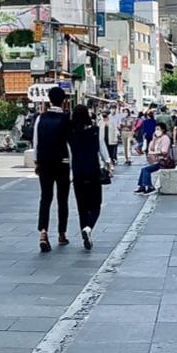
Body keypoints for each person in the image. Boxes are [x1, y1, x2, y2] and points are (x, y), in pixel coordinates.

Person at [34, 86, 72, 252]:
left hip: (44, 163)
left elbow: (36, 142)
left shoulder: (40, 118)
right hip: (62, 162)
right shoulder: (66, 119)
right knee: (62, 199)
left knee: (45, 197)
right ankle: (62, 233)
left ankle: (43, 232)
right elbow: (70, 143)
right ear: (63, 100)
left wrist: (37, 162)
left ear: (49, 99)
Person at [70, 105, 112, 249]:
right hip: (93, 171)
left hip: (77, 172)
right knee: (96, 205)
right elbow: (102, 148)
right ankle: (88, 228)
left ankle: (84, 232)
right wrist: (108, 163)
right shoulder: (95, 131)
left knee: (82, 206)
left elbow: (69, 154)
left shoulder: (71, 133)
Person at [135, 121, 174, 194]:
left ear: (163, 130)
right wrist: (153, 139)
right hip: (157, 160)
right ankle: (142, 186)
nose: (156, 131)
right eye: (155, 129)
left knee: (146, 169)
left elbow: (164, 151)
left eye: (158, 129)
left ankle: (149, 187)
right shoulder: (157, 138)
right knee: (143, 169)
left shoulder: (165, 138)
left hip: (164, 161)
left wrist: (153, 153)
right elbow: (151, 148)